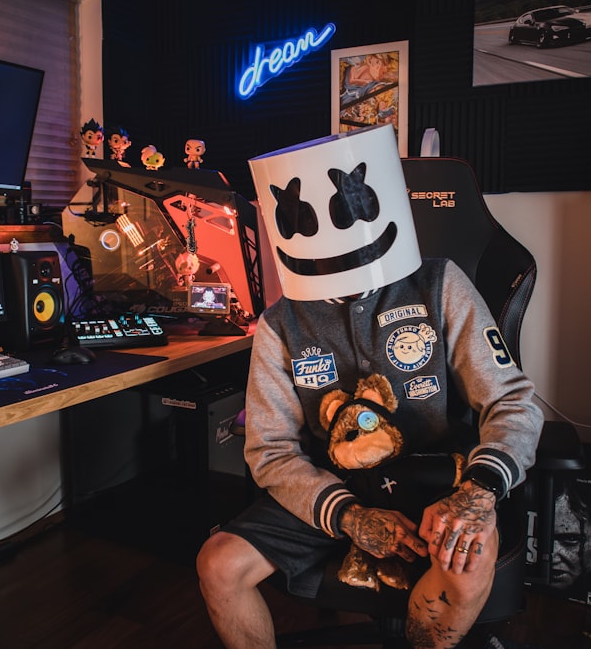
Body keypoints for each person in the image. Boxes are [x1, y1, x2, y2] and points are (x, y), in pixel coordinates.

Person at [196, 124, 543, 649]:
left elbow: (510, 399)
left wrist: (477, 494)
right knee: (219, 564)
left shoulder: (440, 282)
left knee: (466, 572)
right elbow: (268, 449)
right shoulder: (280, 323)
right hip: (336, 488)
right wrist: (346, 514)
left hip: (443, 482)